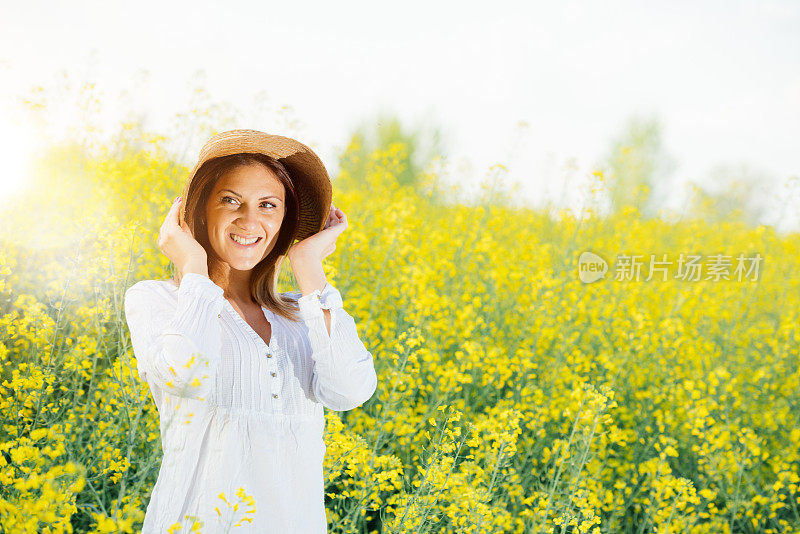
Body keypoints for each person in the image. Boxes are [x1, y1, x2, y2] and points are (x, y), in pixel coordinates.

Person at [123, 129, 378, 533]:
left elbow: (349, 391)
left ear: (285, 219)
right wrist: (193, 267)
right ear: (199, 211)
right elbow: (186, 375)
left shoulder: (304, 312)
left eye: (268, 205)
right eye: (230, 200)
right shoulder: (159, 300)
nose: (250, 220)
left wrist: (308, 263)